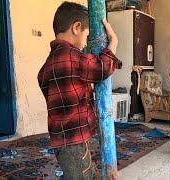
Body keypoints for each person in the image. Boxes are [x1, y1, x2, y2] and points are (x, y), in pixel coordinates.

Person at [37, 2, 121, 179]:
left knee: (81, 172)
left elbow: (44, 83)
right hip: (74, 140)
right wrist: (113, 42)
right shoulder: (73, 58)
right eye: (87, 35)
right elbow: (103, 68)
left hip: (61, 139)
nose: (85, 43)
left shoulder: (48, 63)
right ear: (76, 28)